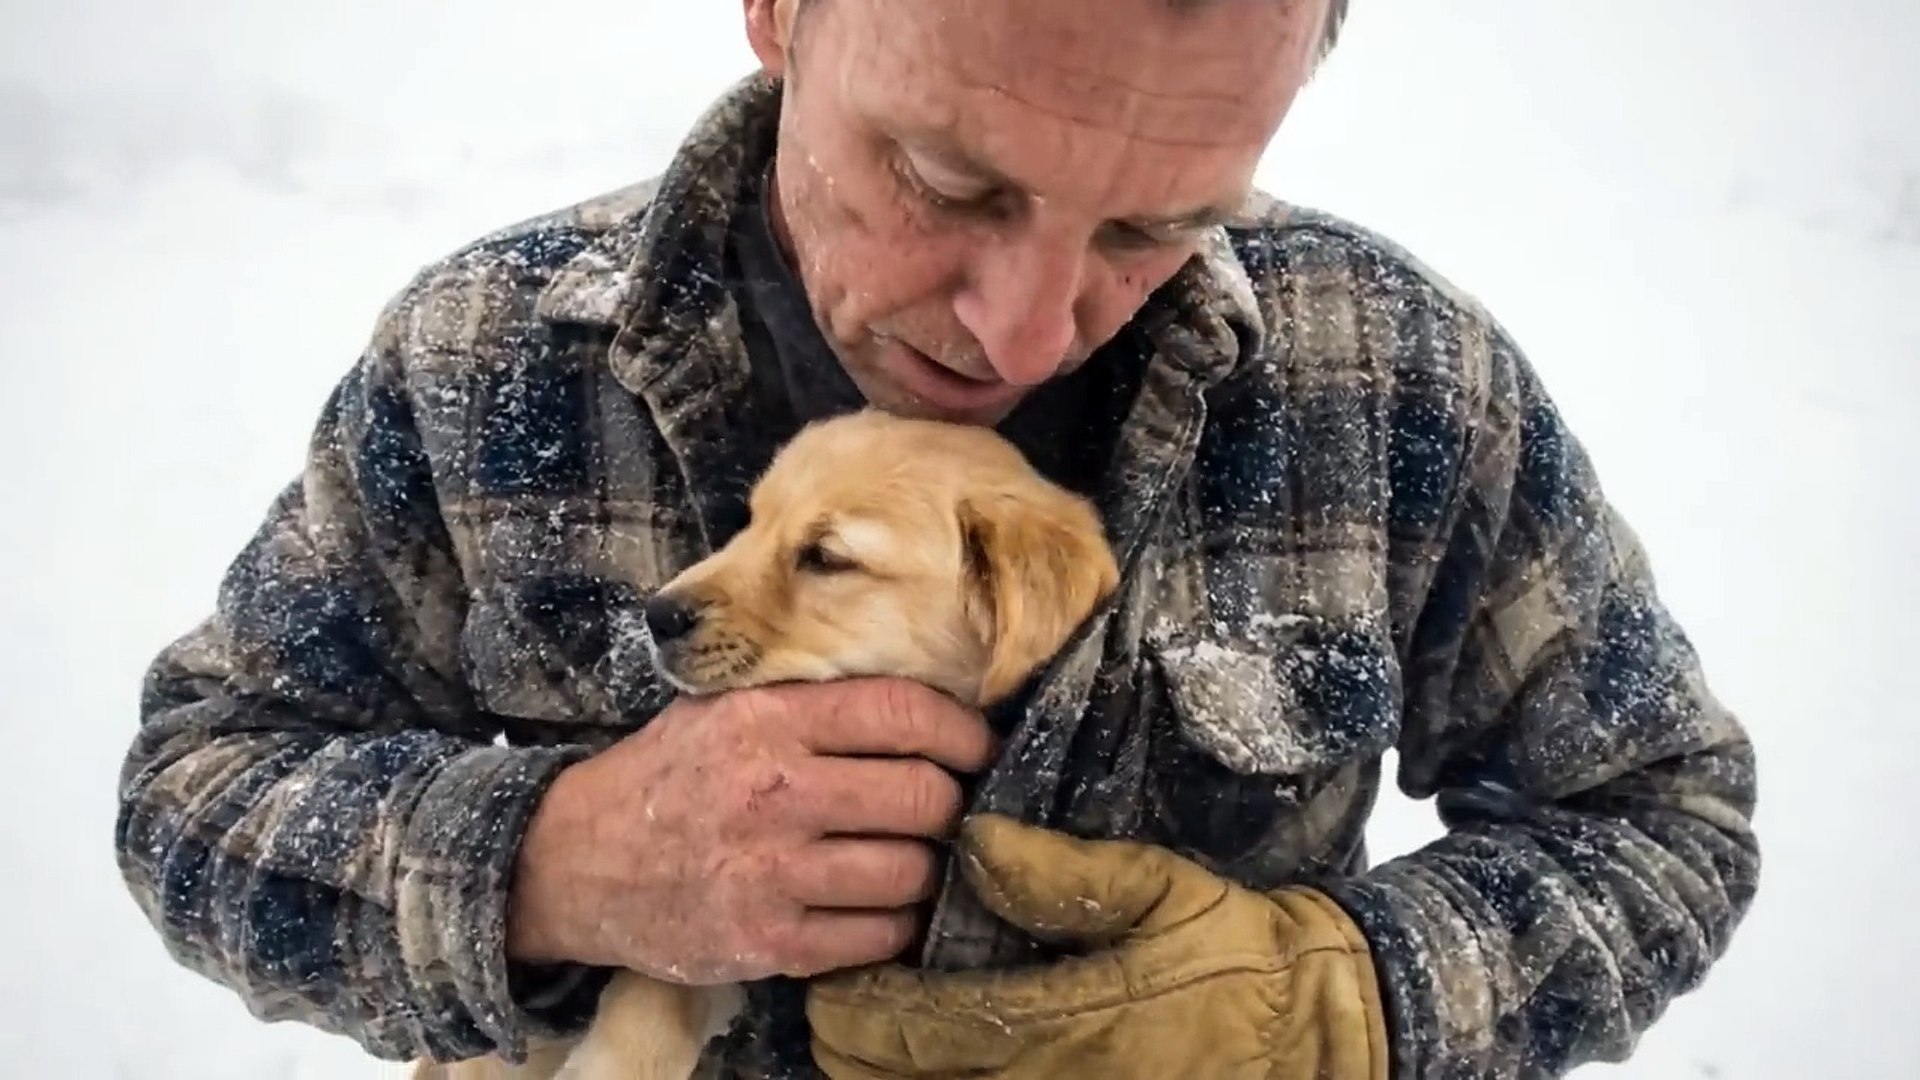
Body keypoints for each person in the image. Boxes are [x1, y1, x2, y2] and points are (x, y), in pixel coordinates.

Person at [112, 0, 1761, 1077]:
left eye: (1153, 225)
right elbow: (198, 793)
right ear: (779, 13)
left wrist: (1339, 1003)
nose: (1028, 330)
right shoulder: (489, 358)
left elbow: (1661, 819)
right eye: (945, 183)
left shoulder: (1393, 376)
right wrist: (548, 866)